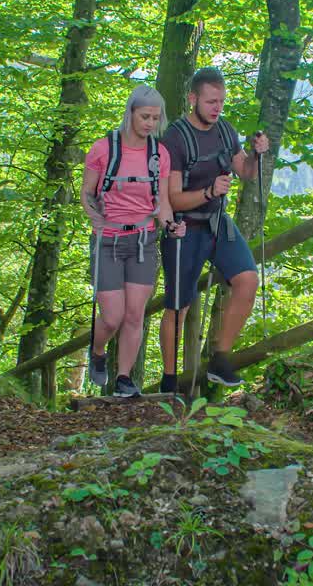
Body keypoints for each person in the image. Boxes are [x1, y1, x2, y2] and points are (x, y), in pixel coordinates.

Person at [158, 67, 269, 392]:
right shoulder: (175, 138)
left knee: (247, 279)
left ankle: (221, 358)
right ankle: (169, 380)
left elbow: (245, 171)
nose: (216, 107)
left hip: (218, 222)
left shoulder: (225, 131)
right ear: (193, 99)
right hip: (184, 227)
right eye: (210, 101)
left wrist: (258, 155)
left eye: (220, 101)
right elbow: (173, 196)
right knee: (179, 306)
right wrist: (209, 192)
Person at [81, 85, 186, 398]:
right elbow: (87, 192)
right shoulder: (102, 149)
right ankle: (98, 350)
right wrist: (93, 215)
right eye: (145, 116)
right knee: (112, 316)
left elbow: (162, 201)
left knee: (134, 315)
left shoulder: (159, 155)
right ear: (130, 114)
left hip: (143, 240)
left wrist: (170, 225)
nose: (150, 123)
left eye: (155, 118)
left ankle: (124, 379)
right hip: (108, 241)